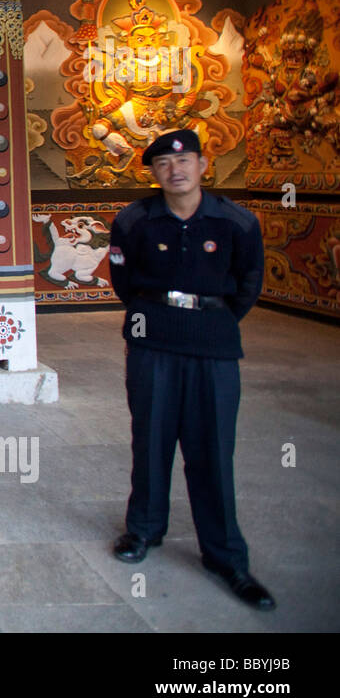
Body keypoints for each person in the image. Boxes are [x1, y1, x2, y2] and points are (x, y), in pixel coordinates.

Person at [107, 128, 275, 610]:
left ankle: (225, 556)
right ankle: (143, 530)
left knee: (213, 448)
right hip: (151, 337)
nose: (174, 170)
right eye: (163, 164)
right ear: (154, 172)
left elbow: (247, 282)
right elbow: (124, 281)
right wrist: (156, 314)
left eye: (184, 162)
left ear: (203, 165)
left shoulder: (236, 222)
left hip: (213, 343)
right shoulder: (135, 221)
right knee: (151, 437)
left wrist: (211, 320)